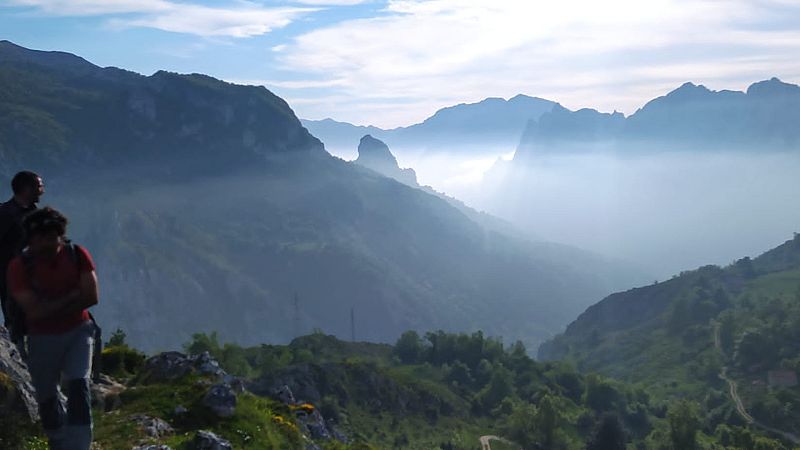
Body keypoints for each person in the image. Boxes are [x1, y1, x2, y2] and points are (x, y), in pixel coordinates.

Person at [7, 207, 98, 450]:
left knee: (79, 385)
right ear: (30, 239)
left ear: (61, 236)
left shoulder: (77, 255)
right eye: (40, 238)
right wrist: (71, 298)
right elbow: (33, 310)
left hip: (78, 331)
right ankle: (57, 440)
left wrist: (50, 307)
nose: (45, 244)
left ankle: (79, 445)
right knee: (47, 394)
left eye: (51, 237)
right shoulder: (19, 267)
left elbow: (91, 296)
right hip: (42, 337)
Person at [0, 171, 44, 348]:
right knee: (15, 316)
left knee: (20, 318)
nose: (42, 191)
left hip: (22, 276)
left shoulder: (36, 215)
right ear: (26, 189)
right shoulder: (4, 214)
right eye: (39, 186)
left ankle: (18, 352)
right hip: (5, 273)